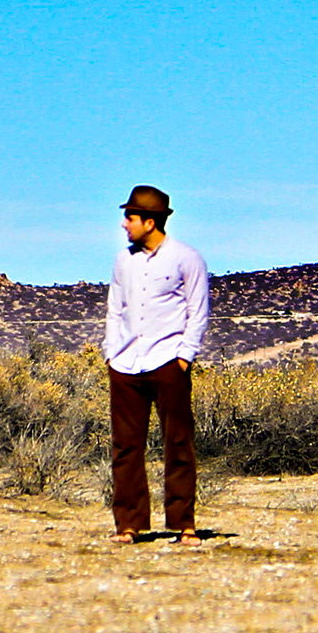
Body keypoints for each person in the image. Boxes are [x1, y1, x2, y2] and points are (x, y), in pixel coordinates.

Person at [103, 184, 209, 542]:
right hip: (125, 365)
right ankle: (129, 526)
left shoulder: (186, 258)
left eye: (130, 217)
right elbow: (115, 310)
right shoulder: (123, 261)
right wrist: (110, 354)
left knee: (178, 443)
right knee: (125, 447)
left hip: (167, 363)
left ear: (150, 222)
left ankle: (184, 525)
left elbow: (198, 312)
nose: (124, 225)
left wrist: (184, 357)